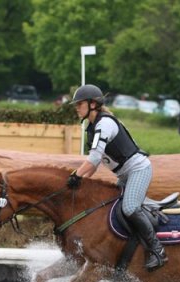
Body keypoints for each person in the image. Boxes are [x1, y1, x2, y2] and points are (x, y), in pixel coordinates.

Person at [66, 84, 167, 271]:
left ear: (93, 104)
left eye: (79, 104)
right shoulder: (93, 126)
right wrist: (80, 179)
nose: (76, 107)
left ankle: (157, 249)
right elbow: (94, 165)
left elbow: (94, 158)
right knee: (110, 207)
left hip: (138, 170)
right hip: (124, 174)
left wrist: (76, 175)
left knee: (129, 208)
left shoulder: (104, 124)